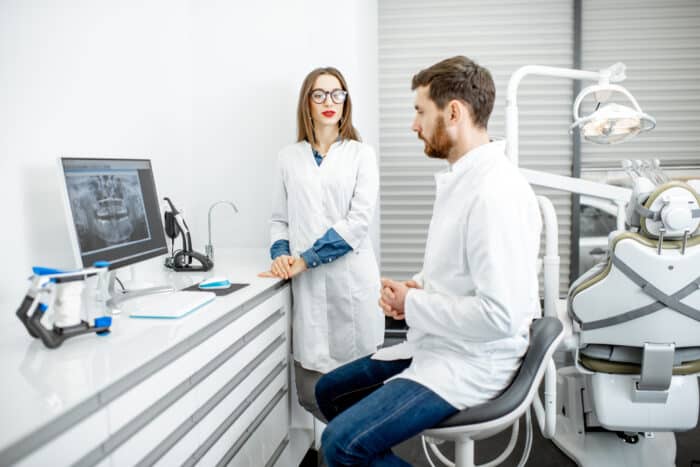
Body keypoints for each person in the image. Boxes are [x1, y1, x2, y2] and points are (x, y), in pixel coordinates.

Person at [314, 56, 543, 466]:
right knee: (328, 392)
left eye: (420, 111)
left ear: (453, 111)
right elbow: (457, 270)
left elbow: (500, 316)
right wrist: (415, 287)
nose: (414, 124)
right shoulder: (464, 180)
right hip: (443, 343)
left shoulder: (494, 193)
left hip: (474, 360)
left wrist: (411, 305)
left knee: (340, 446)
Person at [259, 67, 384, 422]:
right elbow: (279, 218)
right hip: (309, 290)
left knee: (360, 397)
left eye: (337, 94)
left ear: (346, 102)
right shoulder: (288, 157)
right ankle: (344, 448)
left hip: (353, 284)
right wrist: (282, 255)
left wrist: (305, 259)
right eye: (319, 94)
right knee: (312, 394)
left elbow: (359, 222)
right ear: (307, 103)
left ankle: (352, 450)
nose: (329, 102)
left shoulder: (362, 155)